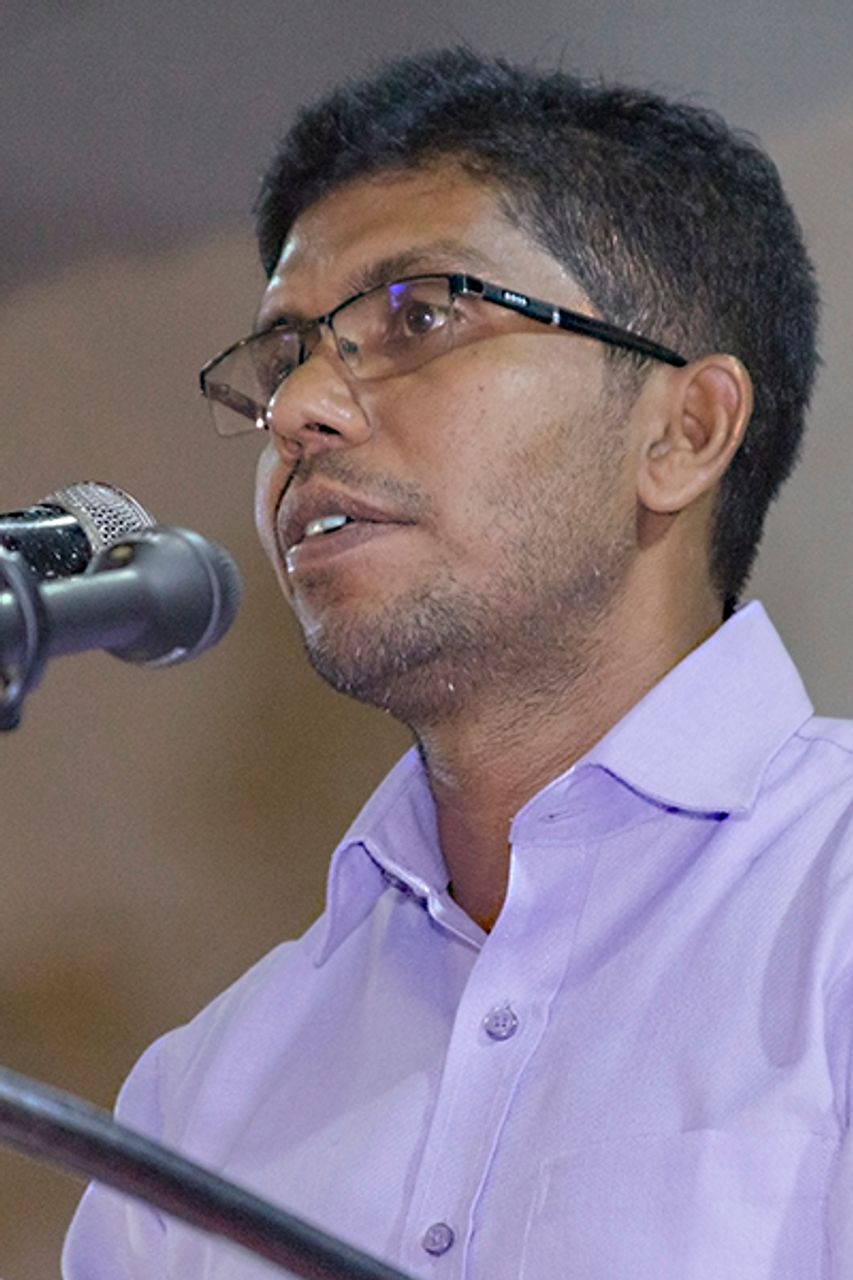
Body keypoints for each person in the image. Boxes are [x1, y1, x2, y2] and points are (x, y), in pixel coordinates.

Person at [63, 46, 853, 1280]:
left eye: (419, 316)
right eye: (284, 357)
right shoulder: (197, 1105)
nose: (300, 408)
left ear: (684, 431)